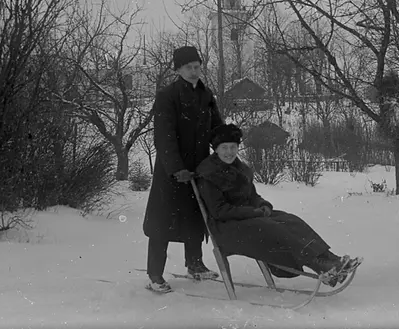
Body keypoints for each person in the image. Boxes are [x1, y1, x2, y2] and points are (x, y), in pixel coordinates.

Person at [195, 124, 363, 287]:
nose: (229, 152)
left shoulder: (239, 168)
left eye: (233, 147)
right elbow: (220, 211)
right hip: (226, 228)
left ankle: (331, 260)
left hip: (247, 219)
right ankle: (319, 265)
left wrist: (263, 205)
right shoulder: (209, 174)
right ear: (216, 149)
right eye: (224, 148)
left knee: (290, 220)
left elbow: (252, 196)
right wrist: (253, 212)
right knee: (272, 227)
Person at [143, 46, 224, 293]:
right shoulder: (167, 96)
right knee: (162, 223)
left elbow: (216, 128)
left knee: (195, 217)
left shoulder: (206, 95)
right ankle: (155, 275)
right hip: (172, 172)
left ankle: (195, 264)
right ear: (178, 69)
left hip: (199, 168)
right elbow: (164, 136)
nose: (194, 71)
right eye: (188, 67)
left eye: (197, 66)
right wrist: (176, 168)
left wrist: (227, 145)